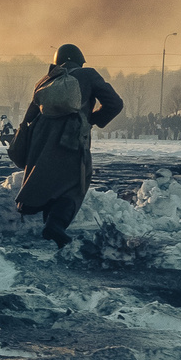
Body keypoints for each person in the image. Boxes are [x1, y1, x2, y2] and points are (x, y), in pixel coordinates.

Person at [9, 45, 124, 247]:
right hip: (71, 139)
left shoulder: (45, 80)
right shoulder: (88, 75)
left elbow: (29, 117)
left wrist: (24, 142)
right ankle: (55, 225)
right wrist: (92, 119)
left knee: (47, 181)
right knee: (76, 183)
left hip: (41, 141)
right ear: (79, 61)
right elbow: (114, 103)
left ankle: (51, 226)